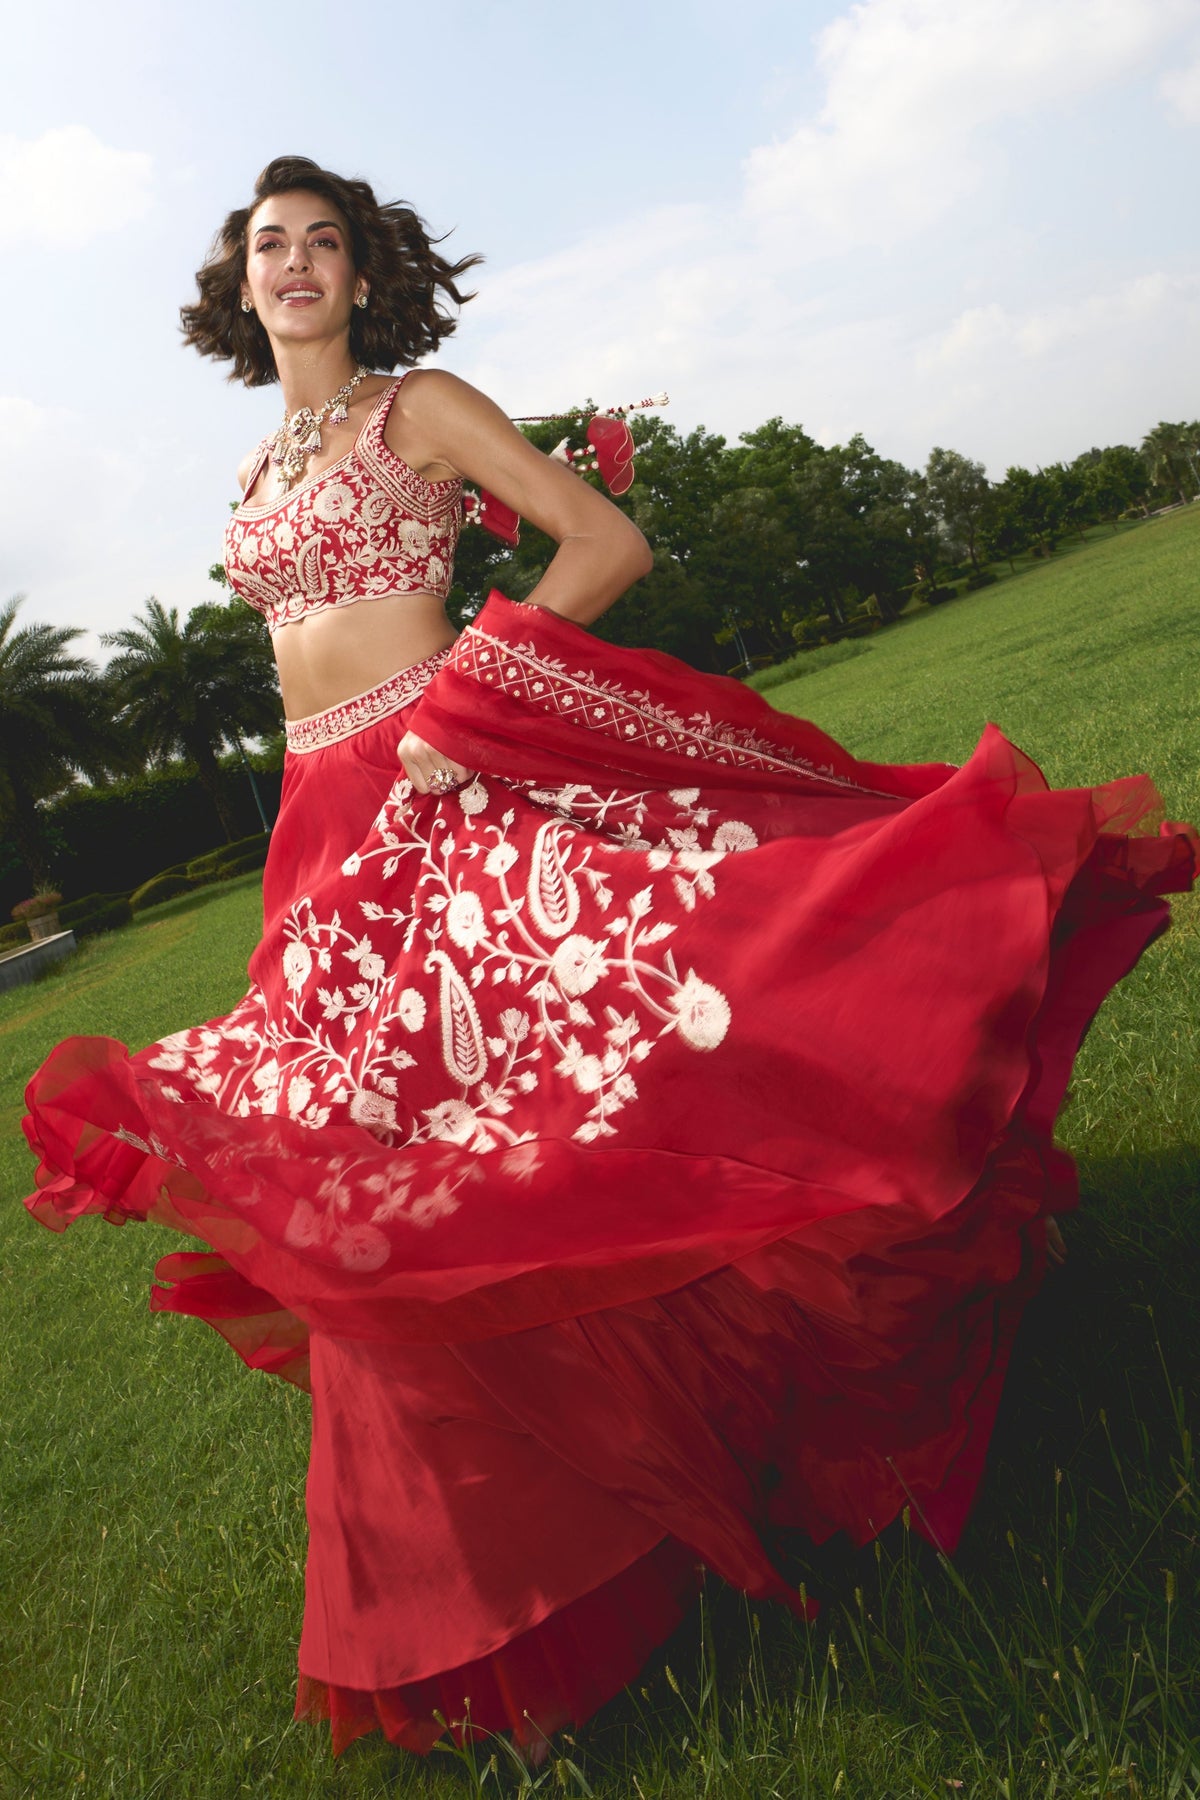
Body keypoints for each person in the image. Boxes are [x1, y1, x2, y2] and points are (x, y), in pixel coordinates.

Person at [23, 155, 1197, 1762]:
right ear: (238, 287)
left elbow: (602, 540)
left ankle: (527, 1579)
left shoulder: (413, 407)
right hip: (320, 829)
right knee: (385, 1178)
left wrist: (461, 708)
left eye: (323, 244)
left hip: (441, 792)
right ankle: (491, 1586)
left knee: (512, 1138)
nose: (293, 265)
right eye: (266, 248)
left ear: (364, 277)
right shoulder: (251, 470)